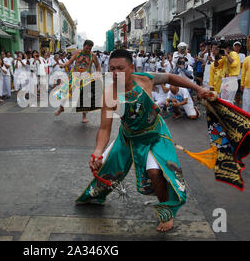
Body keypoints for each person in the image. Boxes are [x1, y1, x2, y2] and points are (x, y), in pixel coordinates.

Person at [79, 49, 212, 232]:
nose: (116, 73)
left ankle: (167, 213)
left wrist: (198, 89)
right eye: (112, 69)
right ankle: (95, 195)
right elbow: (104, 128)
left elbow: (171, 77)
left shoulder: (146, 79)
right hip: (129, 137)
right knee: (103, 166)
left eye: (120, 68)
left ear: (132, 67)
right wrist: (97, 152)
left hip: (155, 134)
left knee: (154, 172)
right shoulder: (110, 94)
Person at [55, 40, 101, 123]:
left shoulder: (93, 55)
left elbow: (98, 66)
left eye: (89, 48)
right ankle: (61, 107)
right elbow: (70, 62)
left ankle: (84, 116)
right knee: (66, 91)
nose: (88, 50)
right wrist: (63, 65)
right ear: (83, 46)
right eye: (86, 48)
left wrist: (97, 74)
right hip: (74, 75)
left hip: (86, 77)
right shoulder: (77, 53)